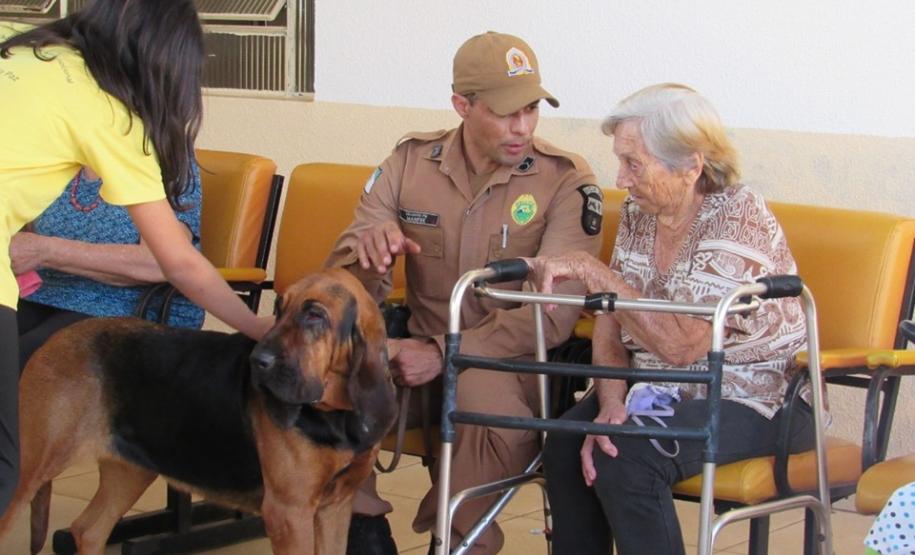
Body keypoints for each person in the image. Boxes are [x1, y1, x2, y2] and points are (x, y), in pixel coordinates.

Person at [325, 31, 604, 554]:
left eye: (531, 110)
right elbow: (343, 283)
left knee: (479, 399)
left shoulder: (564, 181)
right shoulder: (409, 162)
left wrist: (443, 353)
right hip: (417, 347)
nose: (522, 126)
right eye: (505, 113)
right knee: (332, 369)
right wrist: (368, 252)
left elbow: (554, 315)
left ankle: (455, 540)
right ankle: (362, 528)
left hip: (512, 367)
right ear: (462, 105)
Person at [0, 1, 273, 517]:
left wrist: (45, 250)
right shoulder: (105, 111)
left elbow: (172, 256)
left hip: (120, 309)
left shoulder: (19, 45)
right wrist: (254, 326)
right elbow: (181, 263)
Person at [524, 83, 816, 555]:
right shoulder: (643, 213)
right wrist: (610, 404)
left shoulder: (738, 218)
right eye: (620, 160)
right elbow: (609, 320)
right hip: (657, 388)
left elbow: (682, 346)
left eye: (633, 163)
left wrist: (595, 273)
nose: (620, 179)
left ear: (690, 165)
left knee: (627, 458)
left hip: (755, 394)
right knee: (563, 445)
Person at [14, 164, 205, 373]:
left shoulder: (169, 161)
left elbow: (158, 261)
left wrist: (48, 251)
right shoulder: (58, 157)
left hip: (123, 305)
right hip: (42, 294)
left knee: (17, 363)